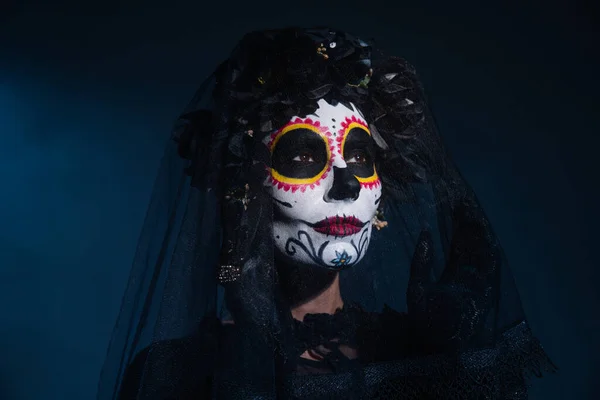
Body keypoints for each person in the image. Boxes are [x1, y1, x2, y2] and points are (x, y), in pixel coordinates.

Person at [97, 27, 555, 399]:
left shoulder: (414, 350)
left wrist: (460, 361)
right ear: (245, 186)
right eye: (301, 157)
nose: (347, 183)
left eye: (359, 156)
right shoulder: (183, 374)